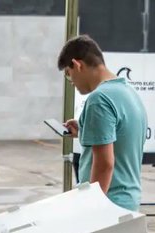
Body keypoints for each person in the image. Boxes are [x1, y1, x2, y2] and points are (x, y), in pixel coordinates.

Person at [58, 35, 147, 211]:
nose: (72, 83)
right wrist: (84, 129)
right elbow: (121, 138)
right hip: (127, 201)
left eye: (69, 75)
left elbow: (105, 164)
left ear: (77, 65)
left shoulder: (99, 99)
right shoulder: (128, 92)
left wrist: (93, 207)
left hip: (108, 205)